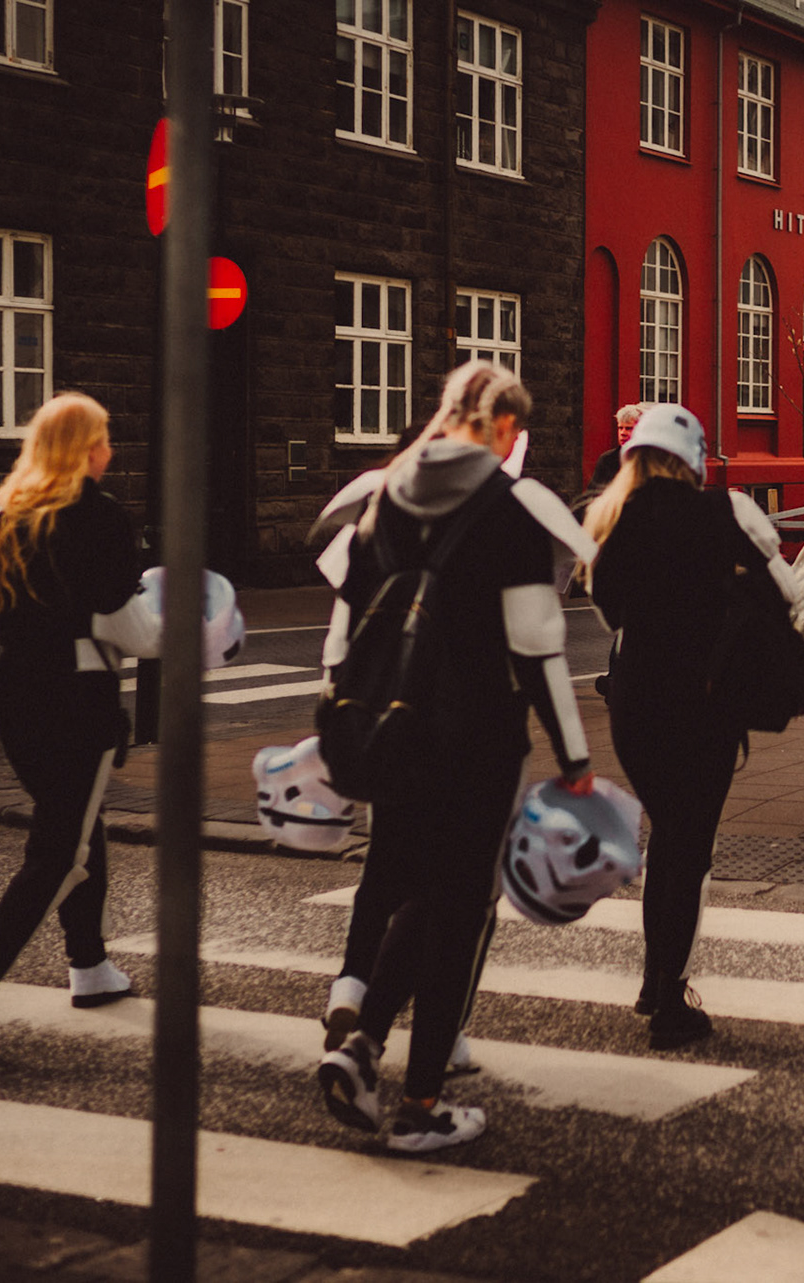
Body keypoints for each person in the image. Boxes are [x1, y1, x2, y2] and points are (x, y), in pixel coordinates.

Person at [308, 361, 595, 1152]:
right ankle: (421, 1101)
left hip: (393, 729)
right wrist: (574, 757)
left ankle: (362, 1047)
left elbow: (344, 631)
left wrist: (336, 723)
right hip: (478, 736)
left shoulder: (382, 498)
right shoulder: (510, 510)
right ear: (506, 428)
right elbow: (537, 646)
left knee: (413, 889)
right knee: (458, 908)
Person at [0, 393, 151, 1058]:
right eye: (105, 439)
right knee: (62, 849)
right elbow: (130, 626)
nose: (110, 452)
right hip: (80, 697)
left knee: (77, 824)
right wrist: (201, 631)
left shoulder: (2, 512)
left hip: (16, 695)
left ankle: (89, 965)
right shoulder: (100, 515)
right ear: (87, 447)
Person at [584, 403, 786, 1049]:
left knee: (664, 833)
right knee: (687, 843)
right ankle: (669, 996)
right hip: (704, 698)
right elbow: (788, 593)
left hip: (635, 698)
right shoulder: (726, 512)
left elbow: (607, 614)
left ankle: (655, 981)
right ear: (694, 456)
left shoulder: (606, 519)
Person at [587, 402, 648, 495]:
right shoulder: (607, 459)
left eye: (628, 428)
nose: (623, 433)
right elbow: (591, 495)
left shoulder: (649, 461)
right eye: (620, 428)